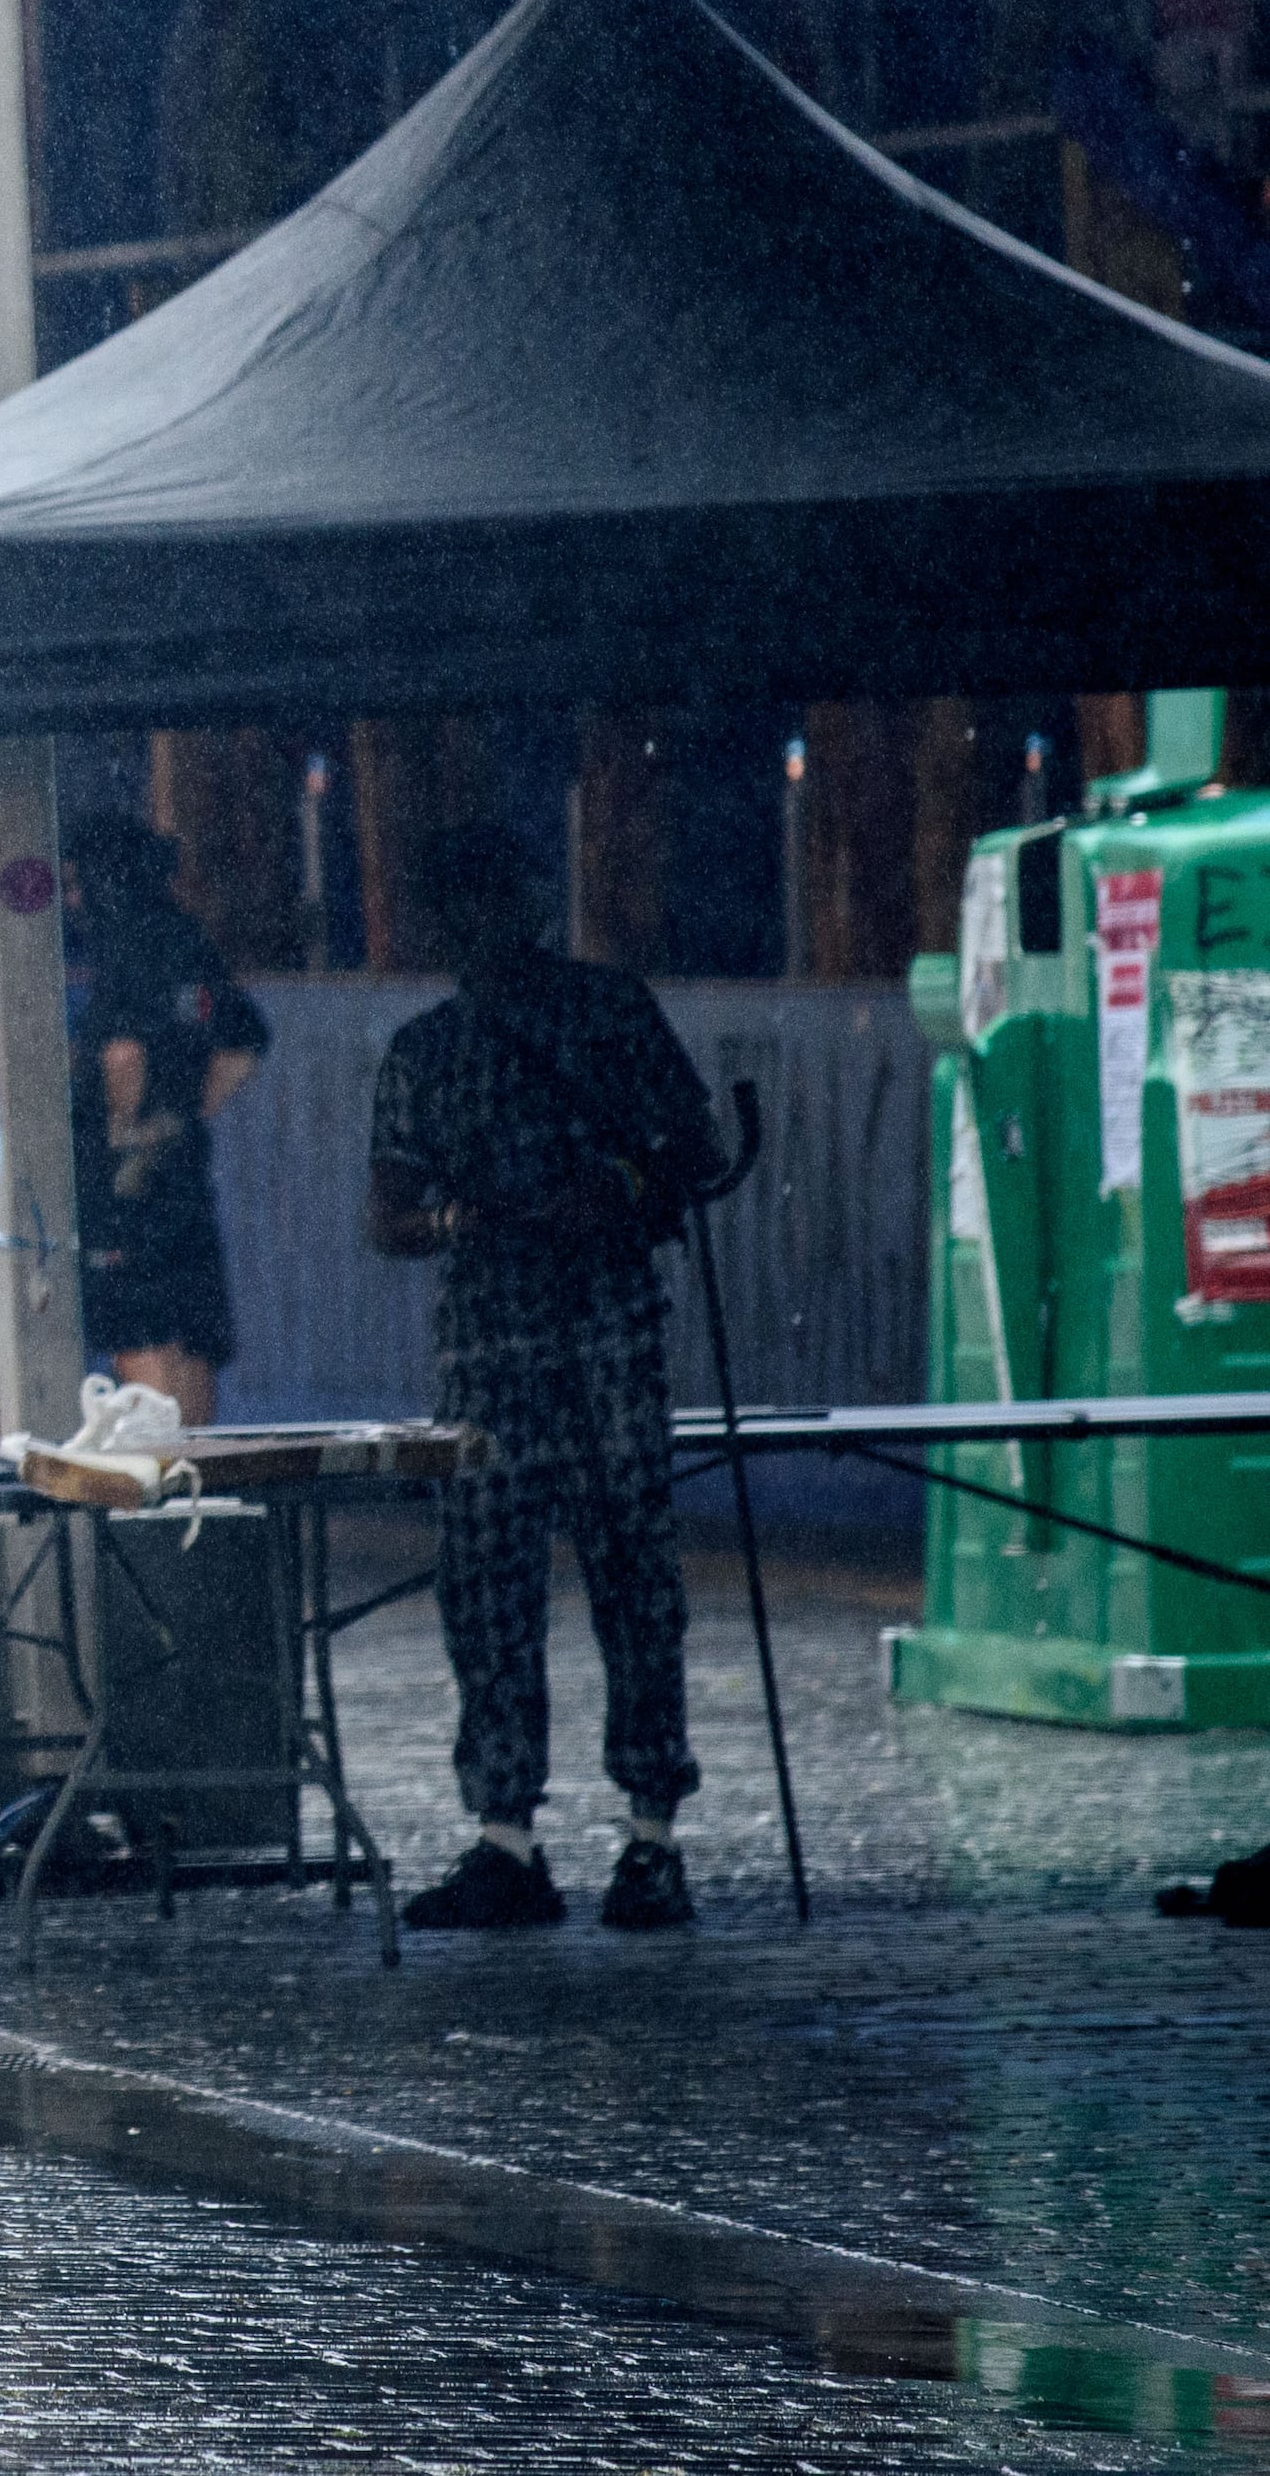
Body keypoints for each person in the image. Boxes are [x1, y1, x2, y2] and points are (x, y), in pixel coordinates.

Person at [370, 821, 726, 1935]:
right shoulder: (426, 1050)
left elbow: (699, 1151)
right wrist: (469, 1215)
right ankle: (506, 1838)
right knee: (487, 1586)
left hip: (601, 1325)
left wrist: (613, 1184)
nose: (476, 932)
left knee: (628, 1574)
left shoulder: (606, 1012)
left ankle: (647, 1836)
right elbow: (387, 1217)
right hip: (492, 1345)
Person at [65, 809, 270, 1429]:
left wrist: (123, 1130)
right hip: (184, 1175)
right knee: (189, 1336)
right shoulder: (187, 938)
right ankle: (196, 1491)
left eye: (76, 883)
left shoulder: (122, 947)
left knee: (143, 1335)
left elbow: (123, 1053)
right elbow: (244, 1041)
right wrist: (185, 1110)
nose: (70, 899)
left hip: (131, 1188)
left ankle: (166, 1488)